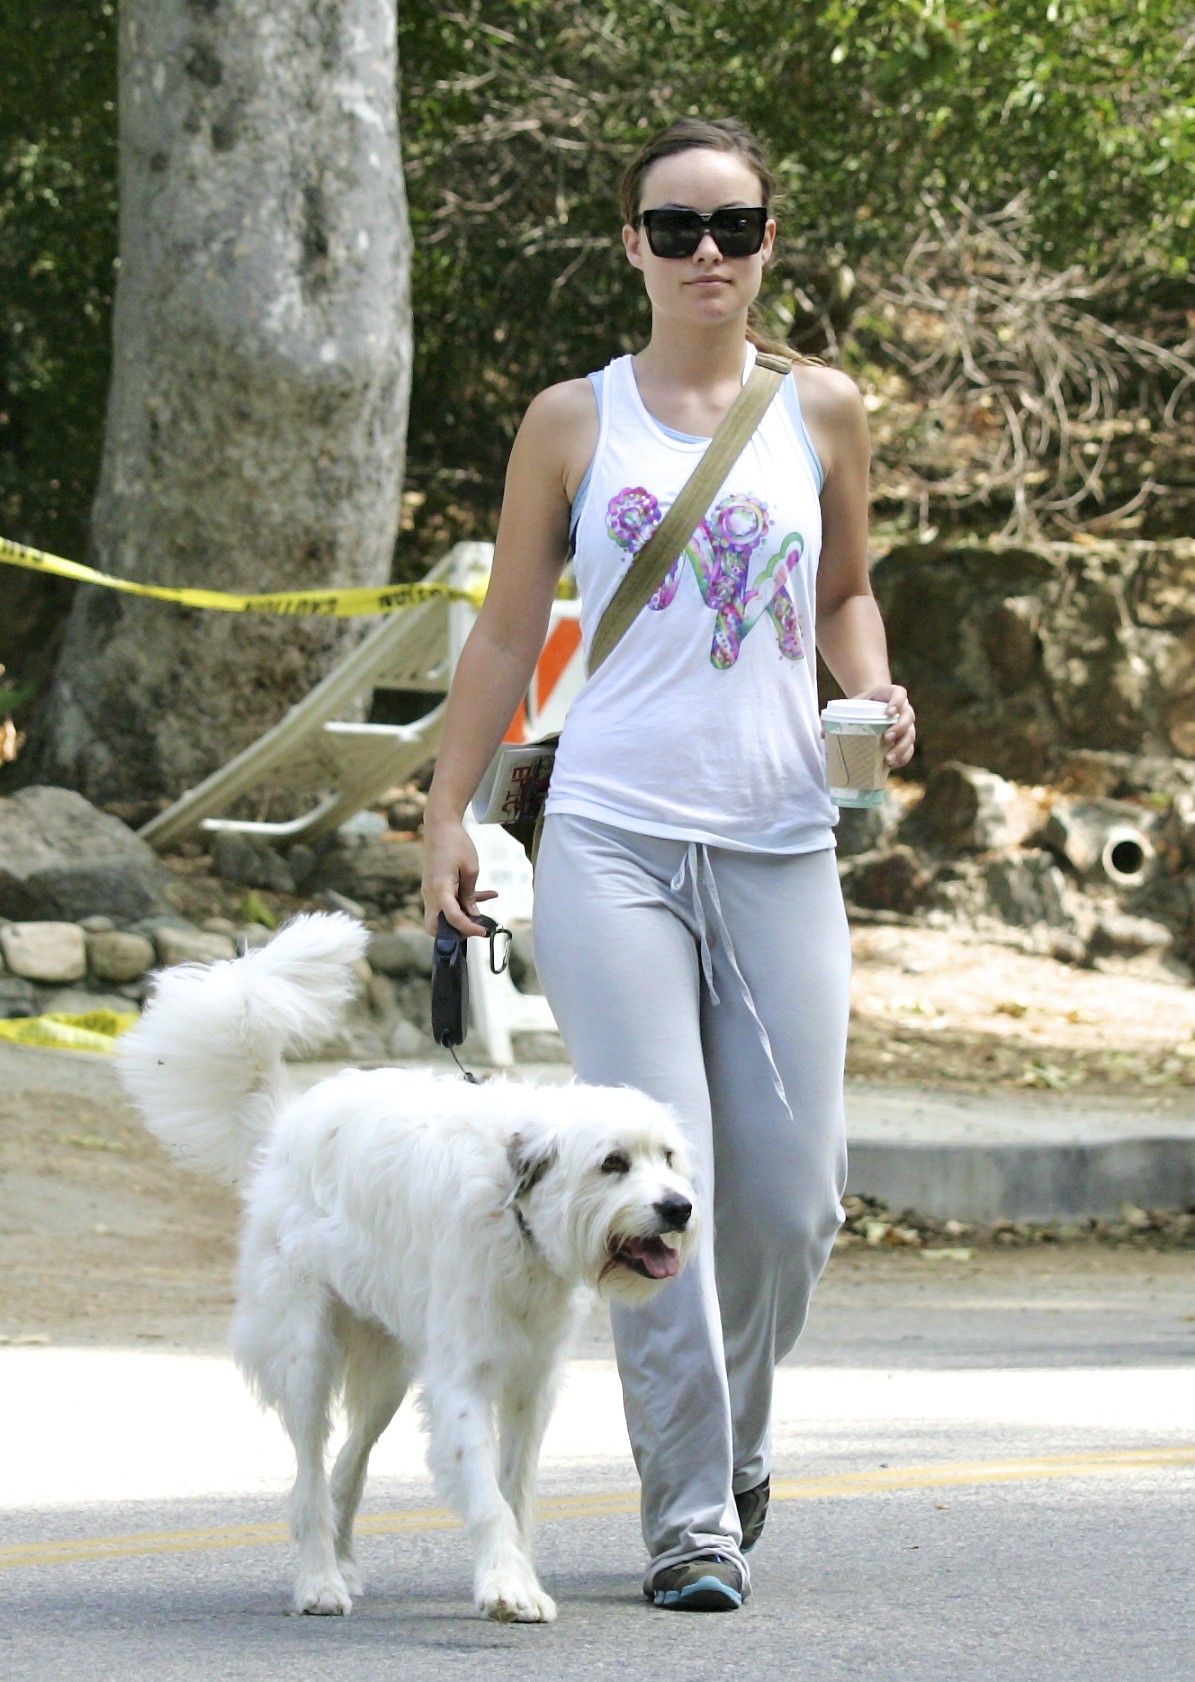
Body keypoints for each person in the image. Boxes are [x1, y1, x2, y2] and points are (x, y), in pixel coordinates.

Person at [421, 116, 916, 1613]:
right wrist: (448, 815)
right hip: (614, 845)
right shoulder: (573, 420)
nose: (711, 251)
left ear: (771, 241)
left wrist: (876, 689)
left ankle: (738, 1440)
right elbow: (510, 631)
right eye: (679, 226)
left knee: (788, 1201)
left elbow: (845, 591)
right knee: (647, 1193)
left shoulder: (821, 410)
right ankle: (689, 1513)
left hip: (779, 840)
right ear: (630, 244)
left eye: (738, 226)